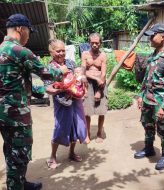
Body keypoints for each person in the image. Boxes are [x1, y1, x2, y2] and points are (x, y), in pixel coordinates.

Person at [0, 14, 68, 190]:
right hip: (16, 114)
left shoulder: (1, 49)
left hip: (3, 113)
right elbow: (46, 73)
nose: (29, 36)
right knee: (20, 152)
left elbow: (13, 80)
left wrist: (38, 92)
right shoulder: (20, 51)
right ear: (20, 29)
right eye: (29, 31)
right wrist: (62, 70)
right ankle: (16, 187)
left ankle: (20, 183)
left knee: (10, 149)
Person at [134, 23, 164, 171]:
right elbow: (146, 79)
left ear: (163, 37)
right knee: (147, 125)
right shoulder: (152, 55)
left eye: (153, 35)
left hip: (160, 102)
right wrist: (140, 96)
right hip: (148, 99)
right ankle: (149, 148)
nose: (150, 38)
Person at [45, 39, 87, 169]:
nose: (61, 53)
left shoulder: (70, 63)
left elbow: (79, 76)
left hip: (75, 100)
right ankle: (52, 157)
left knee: (75, 126)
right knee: (60, 128)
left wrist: (82, 80)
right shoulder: (49, 68)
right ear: (51, 52)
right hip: (62, 102)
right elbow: (47, 88)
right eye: (58, 51)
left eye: (63, 50)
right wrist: (62, 89)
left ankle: (72, 153)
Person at [81, 33, 108, 143]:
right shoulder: (85, 54)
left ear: (100, 43)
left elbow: (103, 73)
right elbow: (83, 70)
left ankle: (99, 133)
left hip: (100, 84)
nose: (94, 45)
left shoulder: (103, 56)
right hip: (88, 84)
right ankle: (87, 133)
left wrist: (99, 90)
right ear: (89, 43)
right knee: (87, 111)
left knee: (101, 110)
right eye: (92, 43)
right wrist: (92, 78)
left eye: (97, 43)